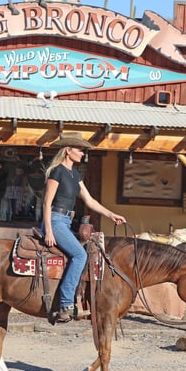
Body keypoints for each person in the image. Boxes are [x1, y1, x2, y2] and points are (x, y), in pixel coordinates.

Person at [41, 132, 126, 322]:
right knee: (80, 255)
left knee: (91, 249)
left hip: (67, 221)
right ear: (68, 150)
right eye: (79, 149)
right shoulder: (57, 172)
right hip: (55, 220)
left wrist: (111, 215)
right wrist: (48, 229)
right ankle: (65, 304)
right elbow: (47, 203)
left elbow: (89, 200)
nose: (82, 153)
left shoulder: (75, 174)